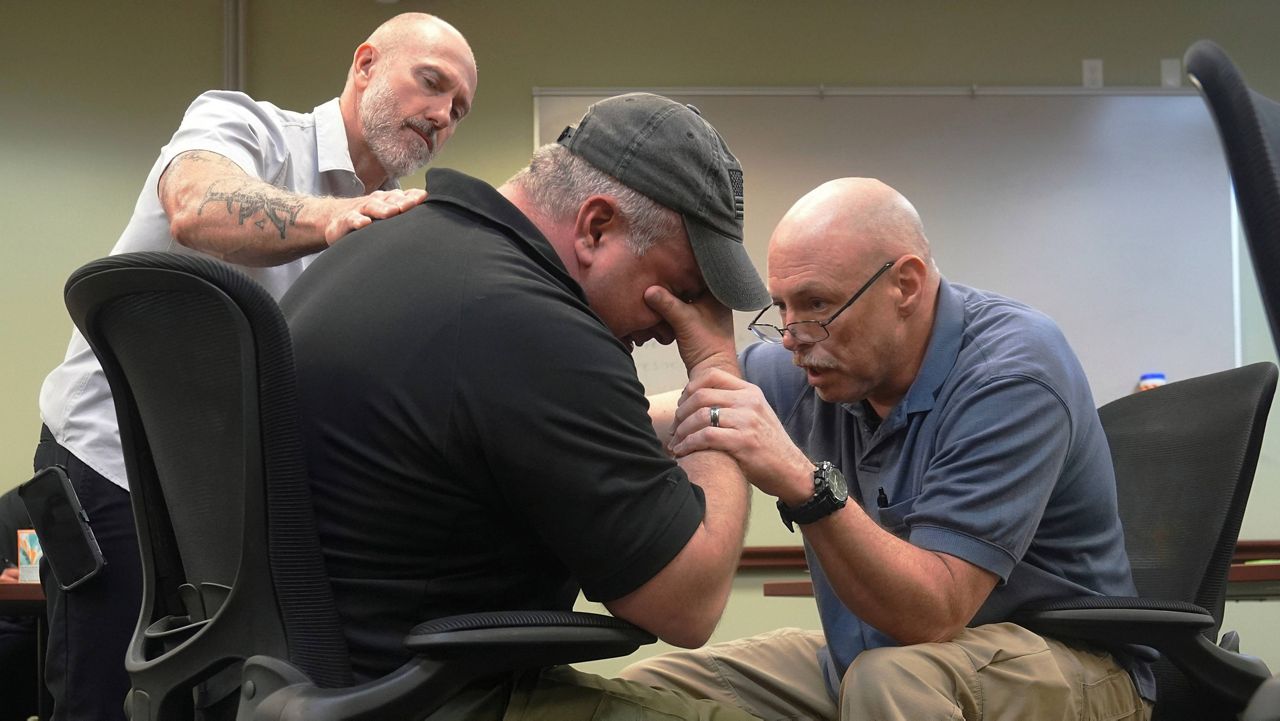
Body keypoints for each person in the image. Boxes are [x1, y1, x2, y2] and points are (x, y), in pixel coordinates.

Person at [31, 13, 477, 720]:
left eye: (458, 109)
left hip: (226, 508)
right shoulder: (248, 126)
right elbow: (195, 204)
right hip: (110, 468)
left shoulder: (398, 228)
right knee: (103, 705)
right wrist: (335, 218)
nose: (441, 115)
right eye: (431, 83)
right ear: (365, 64)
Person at [280, 93, 770, 719]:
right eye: (681, 291)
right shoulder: (538, 325)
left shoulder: (395, 248)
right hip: (430, 699)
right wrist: (717, 377)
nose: (677, 327)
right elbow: (689, 603)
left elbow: (480, 438)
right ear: (596, 227)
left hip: (321, 680)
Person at [621, 177, 1155, 721]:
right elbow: (653, 422)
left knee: (891, 679)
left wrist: (800, 482)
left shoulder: (1012, 372)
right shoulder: (818, 363)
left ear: (905, 284)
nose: (791, 337)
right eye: (781, 307)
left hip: (1070, 665)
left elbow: (935, 613)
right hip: (891, 657)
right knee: (656, 691)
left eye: (816, 304)